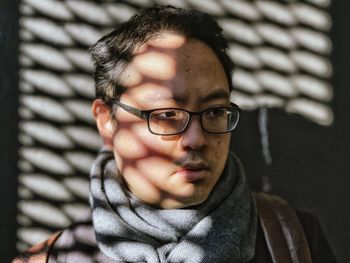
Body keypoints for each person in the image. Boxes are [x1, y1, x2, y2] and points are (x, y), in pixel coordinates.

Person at [13, 5, 336, 263]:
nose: (195, 139)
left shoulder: (293, 239)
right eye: (167, 115)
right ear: (106, 121)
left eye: (213, 112)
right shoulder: (55, 258)